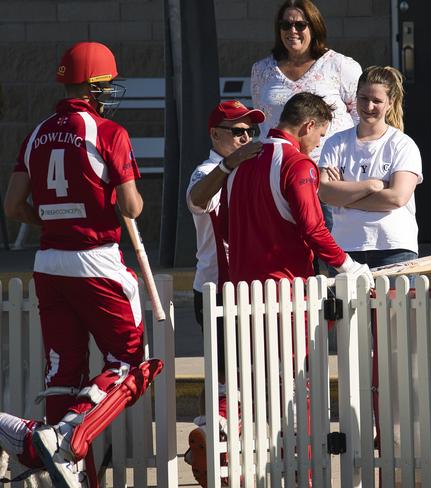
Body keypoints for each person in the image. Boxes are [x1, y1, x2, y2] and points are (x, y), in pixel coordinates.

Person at [2, 41, 162, 487]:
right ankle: (65, 440)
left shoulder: (35, 133)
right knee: (132, 364)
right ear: (93, 87)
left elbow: (14, 205)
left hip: (49, 261)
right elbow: (131, 206)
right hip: (96, 260)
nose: (110, 92)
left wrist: (52, 217)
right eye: (107, 85)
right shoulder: (109, 131)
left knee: (63, 374)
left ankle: (64, 467)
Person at [184, 99, 264, 488]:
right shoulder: (207, 169)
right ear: (216, 134)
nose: (247, 138)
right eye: (238, 131)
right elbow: (198, 199)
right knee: (222, 374)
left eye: (251, 131)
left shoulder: (251, 167)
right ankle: (209, 453)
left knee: (240, 373)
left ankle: (220, 447)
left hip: (249, 287)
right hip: (216, 288)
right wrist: (229, 164)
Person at [219, 91, 372, 285]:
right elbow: (314, 228)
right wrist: (349, 266)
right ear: (309, 126)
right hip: (286, 287)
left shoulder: (239, 161)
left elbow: (226, 229)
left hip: (241, 289)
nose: (318, 145)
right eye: (320, 135)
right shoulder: (297, 164)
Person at [251, 0, 362, 248]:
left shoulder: (340, 66)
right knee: (291, 251)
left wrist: (350, 163)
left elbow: (361, 117)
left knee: (333, 248)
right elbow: (265, 123)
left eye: (300, 24)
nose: (292, 31)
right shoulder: (261, 70)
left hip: (329, 176)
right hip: (280, 177)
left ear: (314, 27)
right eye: (285, 25)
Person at [318, 66, 423, 270]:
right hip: (345, 248)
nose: (369, 106)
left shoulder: (403, 144)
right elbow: (325, 193)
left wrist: (345, 195)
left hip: (393, 246)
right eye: (363, 98)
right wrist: (373, 185)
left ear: (390, 103)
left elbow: (396, 198)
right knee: (347, 304)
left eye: (377, 101)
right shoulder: (335, 142)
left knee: (393, 304)